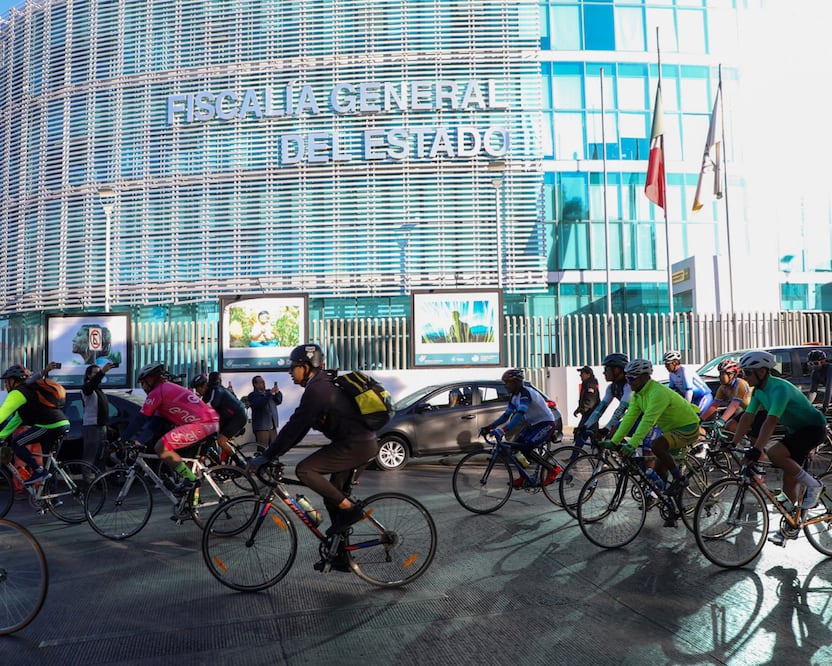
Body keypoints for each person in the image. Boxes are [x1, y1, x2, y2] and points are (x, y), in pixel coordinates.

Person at [247, 344, 379, 571]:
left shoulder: (317, 390)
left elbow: (295, 428)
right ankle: (341, 556)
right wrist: (273, 453)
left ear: (306, 367)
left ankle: (351, 510)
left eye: (293, 366)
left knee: (305, 470)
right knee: (333, 497)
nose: (290, 371)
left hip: (355, 446)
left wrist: (268, 456)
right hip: (356, 444)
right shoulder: (320, 386)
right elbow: (296, 432)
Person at [729, 350, 825, 546]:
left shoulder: (779, 389)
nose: (744, 377)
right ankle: (791, 527)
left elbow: (770, 422)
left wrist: (757, 449)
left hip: (813, 428)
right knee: (788, 482)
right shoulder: (759, 391)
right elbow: (748, 417)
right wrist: (732, 443)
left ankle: (815, 486)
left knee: (773, 453)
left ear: (762, 372)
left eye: (747, 372)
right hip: (797, 430)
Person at [602, 359, 701, 510]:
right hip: (671, 430)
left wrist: (632, 444)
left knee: (657, 446)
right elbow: (629, 418)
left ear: (644, 377)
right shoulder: (638, 394)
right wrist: (615, 441)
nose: (629, 383)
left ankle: (680, 479)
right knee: (660, 470)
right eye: (627, 378)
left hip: (688, 427)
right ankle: (672, 508)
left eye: (632, 379)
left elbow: (648, 421)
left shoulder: (657, 392)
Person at [119, 362, 220, 493]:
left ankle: (191, 480)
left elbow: (140, 419)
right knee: (187, 466)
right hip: (210, 424)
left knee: (161, 448)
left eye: (143, 383)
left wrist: (120, 440)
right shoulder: (166, 390)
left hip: (202, 425)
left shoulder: (158, 391)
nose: (142, 387)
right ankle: (191, 507)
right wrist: (140, 441)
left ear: (151, 379)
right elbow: (155, 423)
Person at [479, 368, 559, 488]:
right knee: (515, 448)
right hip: (532, 425)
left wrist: (503, 430)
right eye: (504, 383)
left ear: (516, 383)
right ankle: (524, 476)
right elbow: (506, 416)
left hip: (546, 423)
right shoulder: (514, 397)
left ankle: (553, 469)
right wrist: (489, 427)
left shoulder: (525, 394)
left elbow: (518, 416)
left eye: (507, 383)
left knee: (527, 447)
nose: (505, 386)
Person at [0, 364, 70, 485]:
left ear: (13, 380)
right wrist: (1, 436)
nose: (5, 386)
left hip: (50, 425)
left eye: (6, 382)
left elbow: (2, 414)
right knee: (48, 461)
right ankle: (52, 497)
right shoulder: (30, 391)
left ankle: (38, 470)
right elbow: (17, 419)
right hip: (62, 423)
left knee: (16, 443)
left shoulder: (18, 392)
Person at [190, 373, 248, 465]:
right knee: (209, 435)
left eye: (197, 388)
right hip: (228, 418)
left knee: (221, 441)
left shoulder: (215, 390)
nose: (197, 391)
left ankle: (239, 463)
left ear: (204, 385)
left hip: (237, 416)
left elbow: (208, 407)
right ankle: (216, 462)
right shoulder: (208, 394)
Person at [581, 353, 631, 437]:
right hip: (636, 419)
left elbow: (621, 410)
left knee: (614, 432)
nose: (604, 373)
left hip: (650, 420)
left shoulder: (629, 386)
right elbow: (600, 409)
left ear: (617, 370)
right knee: (613, 436)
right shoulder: (612, 387)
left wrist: (606, 428)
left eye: (606, 369)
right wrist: (585, 426)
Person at [699, 359, 752, 437]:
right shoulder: (723, 388)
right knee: (729, 428)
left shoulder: (740, 384)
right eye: (720, 374)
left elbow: (734, 405)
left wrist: (722, 420)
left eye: (722, 374)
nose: (720, 377)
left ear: (731, 375)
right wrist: (701, 419)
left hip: (755, 411)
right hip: (746, 411)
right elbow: (714, 405)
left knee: (731, 427)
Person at [81, 361, 118, 467]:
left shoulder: (97, 389)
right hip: (92, 425)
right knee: (90, 455)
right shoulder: (87, 388)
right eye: (95, 373)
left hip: (101, 426)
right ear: (88, 375)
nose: (97, 375)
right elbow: (90, 386)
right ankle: (88, 480)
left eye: (98, 372)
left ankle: (100, 480)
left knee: (102, 454)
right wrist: (102, 372)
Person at [663, 350, 714, 416]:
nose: (665, 366)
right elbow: (671, 392)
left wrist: (685, 407)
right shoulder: (671, 374)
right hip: (693, 399)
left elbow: (689, 391)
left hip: (703, 397)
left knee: (695, 418)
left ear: (674, 363)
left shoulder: (685, 371)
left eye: (667, 364)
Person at [247, 375, 283, 448]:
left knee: (274, 448)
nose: (264, 384)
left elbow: (278, 401)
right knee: (263, 448)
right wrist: (270, 394)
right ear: (255, 384)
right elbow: (260, 404)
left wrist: (278, 392)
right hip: (261, 427)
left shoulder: (268, 393)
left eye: (264, 382)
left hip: (272, 426)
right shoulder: (253, 395)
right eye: (261, 382)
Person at [573, 365, 600, 431]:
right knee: (593, 434)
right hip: (589, 413)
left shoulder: (590, 385)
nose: (580, 375)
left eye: (582, 373)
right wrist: (579, 409)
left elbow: (590, 400)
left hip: (590, 413)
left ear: (588, 375)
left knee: (580, 434)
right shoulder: (587, 384)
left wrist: (581, 409)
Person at [807, 349, 832, 413]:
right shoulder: (815, 373)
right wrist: (806, 405)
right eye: (811, 364)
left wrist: (825, 407)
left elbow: (829, 389)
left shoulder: (830, 369)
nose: (813, 366)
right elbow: (813, 391)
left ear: (823, 362)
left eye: (816, 363)